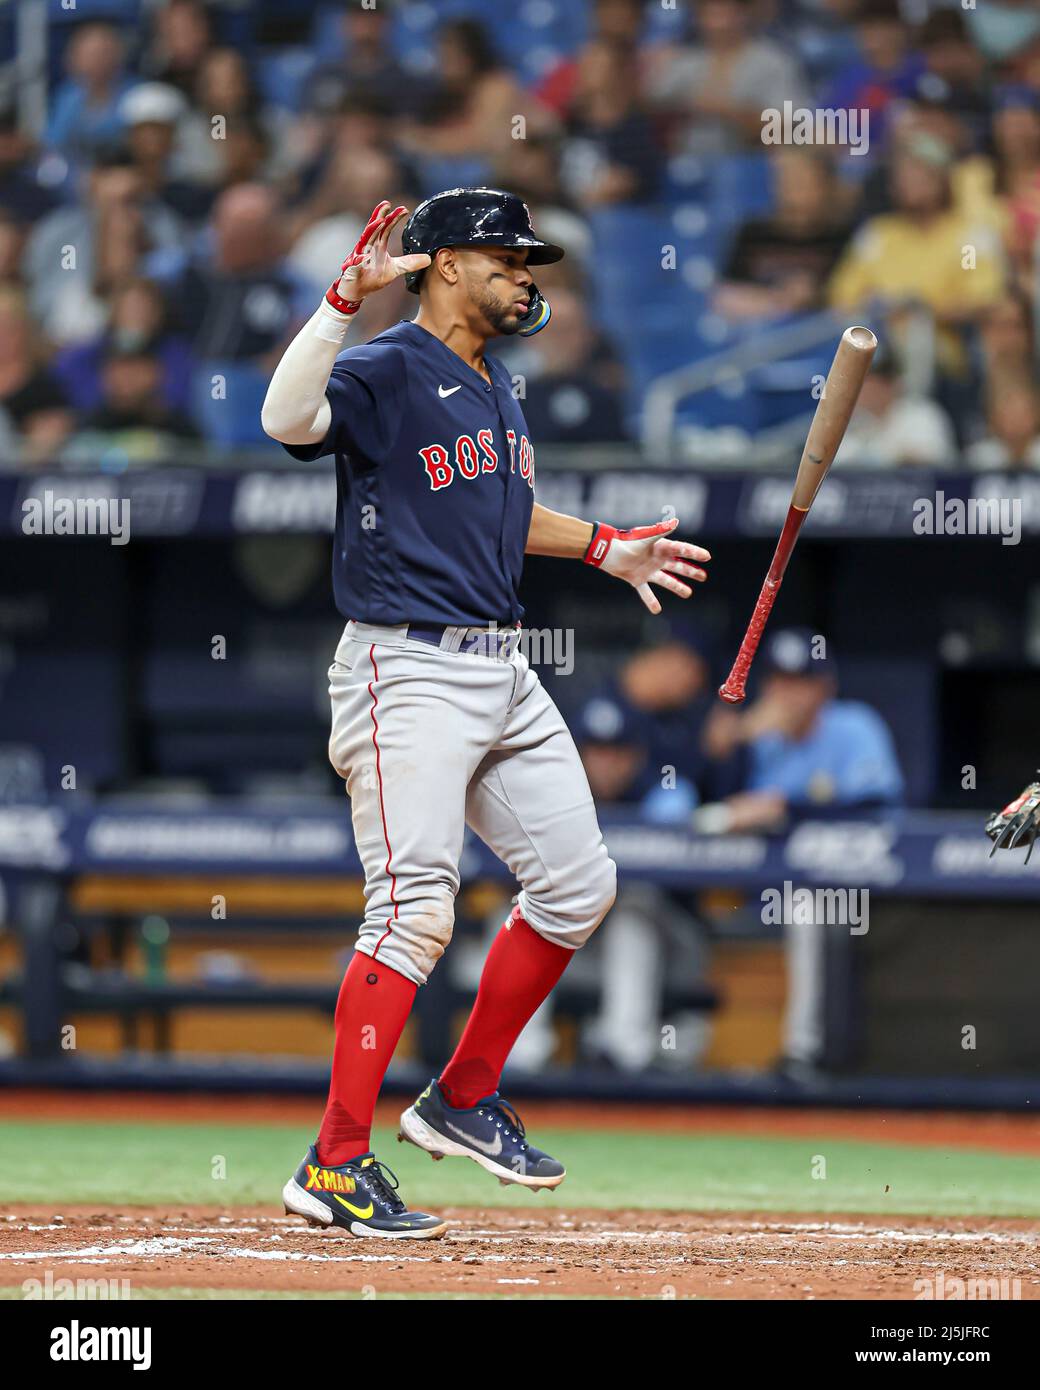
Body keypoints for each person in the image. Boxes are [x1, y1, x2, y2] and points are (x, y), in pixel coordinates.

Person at [261, 190, 711, 1237]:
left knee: (576, 885)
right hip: (405, 667)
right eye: (508, 256)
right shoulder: (385, 365)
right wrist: (340, 301)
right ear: (446, 264)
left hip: (500, 666)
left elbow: (499, 511)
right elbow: (286, 419)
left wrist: (606, 547)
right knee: (414, 909)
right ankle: (332, 1161)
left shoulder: (496, 383)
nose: (527, 274)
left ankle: (461, 1097)